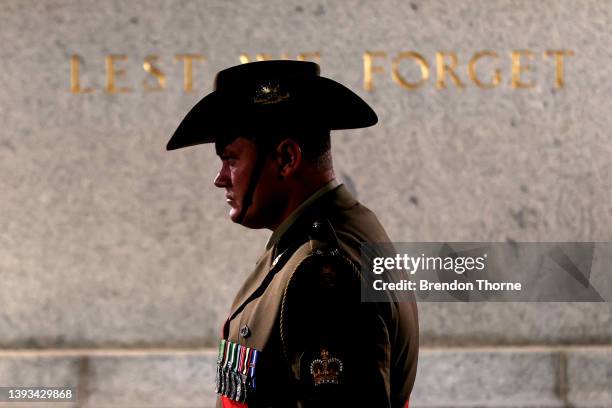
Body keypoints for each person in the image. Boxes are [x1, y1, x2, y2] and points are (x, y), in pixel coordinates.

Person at [166, 60, 419, 408]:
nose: (220, 178)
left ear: (286, 158)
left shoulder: (320, 273)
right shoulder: (327, 234)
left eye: (231, 160)